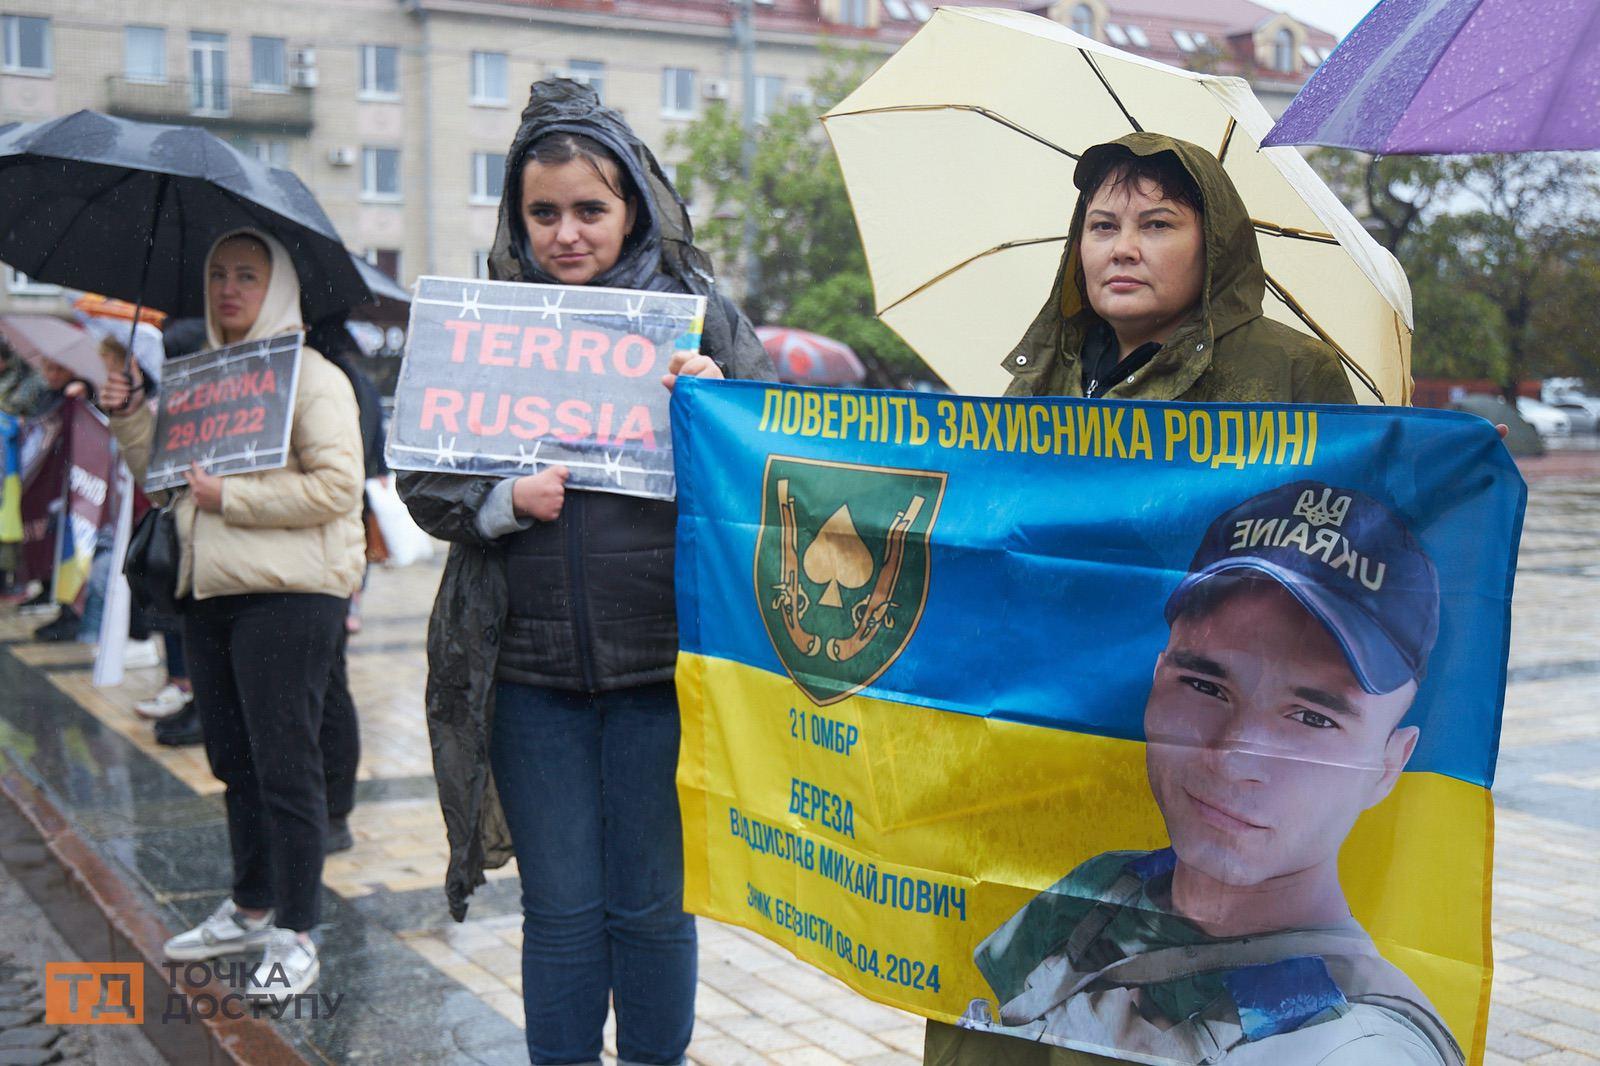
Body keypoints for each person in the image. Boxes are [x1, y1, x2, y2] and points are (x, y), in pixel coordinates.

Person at [398, 78, 773, 1066]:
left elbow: (787, 468)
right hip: (527, 678)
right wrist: (500, 502)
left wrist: (720, 408)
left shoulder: (696, 315)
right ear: (517, 219)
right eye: (544, 212)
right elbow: (423, 481)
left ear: (634, 206)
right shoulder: (480, 322)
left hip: (664, 672)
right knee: (561, 913)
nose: (567, 232)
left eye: (590, 210)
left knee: (651, 909)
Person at [936, 482, 1462, 1066]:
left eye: (1312, 718)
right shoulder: (1100, 891)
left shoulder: (1356, 1041)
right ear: (1157, 679)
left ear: (1390, 765)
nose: (1234, 754)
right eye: (1206, 686)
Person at [96, 229, 366, 1001]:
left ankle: (297, 930)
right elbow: (166, 483)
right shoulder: (201, 379)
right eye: (218, 275)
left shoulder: (313, 377)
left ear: (277, 288)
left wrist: (232, 498)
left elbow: (336, 489)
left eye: (248, 276)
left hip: (291, 597)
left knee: (286, 768)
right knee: (234, 764)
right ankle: (251, 903)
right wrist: (133, 417)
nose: (229, 290)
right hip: (210, 593)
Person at [1002, 133, 1357, 405]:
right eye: (1103, 226)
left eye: (1157, 225)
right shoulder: (1043, 370)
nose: (1123, 250)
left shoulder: (1294, 370)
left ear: (1213, 244)